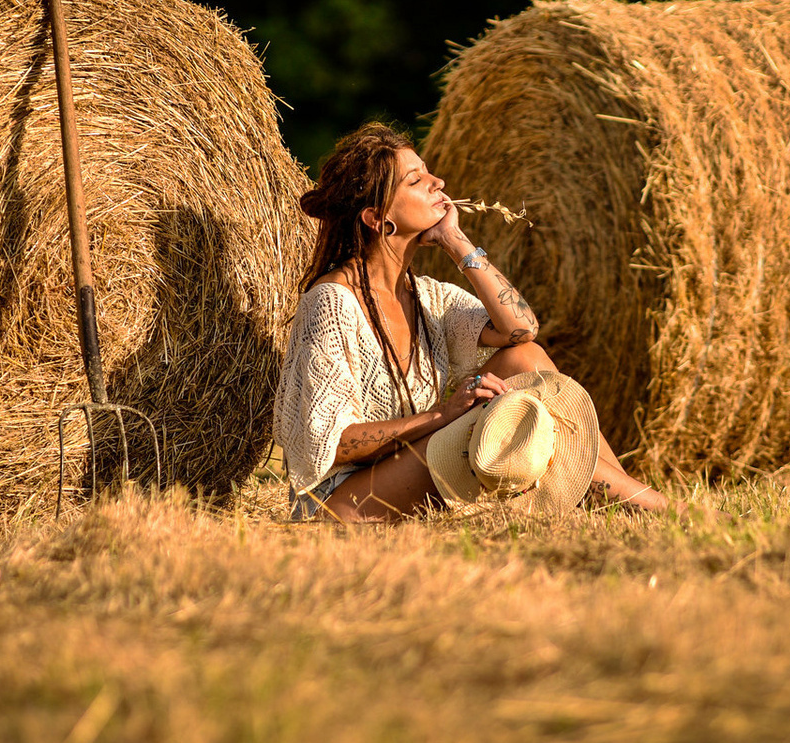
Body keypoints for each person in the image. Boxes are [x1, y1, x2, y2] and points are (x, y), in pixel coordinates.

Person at [273, 122, 670, 521]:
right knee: (487, 421)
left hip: (404, 471)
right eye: (416, 180)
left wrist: (455, 241)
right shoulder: (332, 302)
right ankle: (662, 510)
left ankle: (634, 502)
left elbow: (521, 328)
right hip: (341, 501)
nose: (438, 181)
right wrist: (444, 416)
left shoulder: (428, 297)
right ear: (377, 218)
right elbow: (333, 443)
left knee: (524, 359)